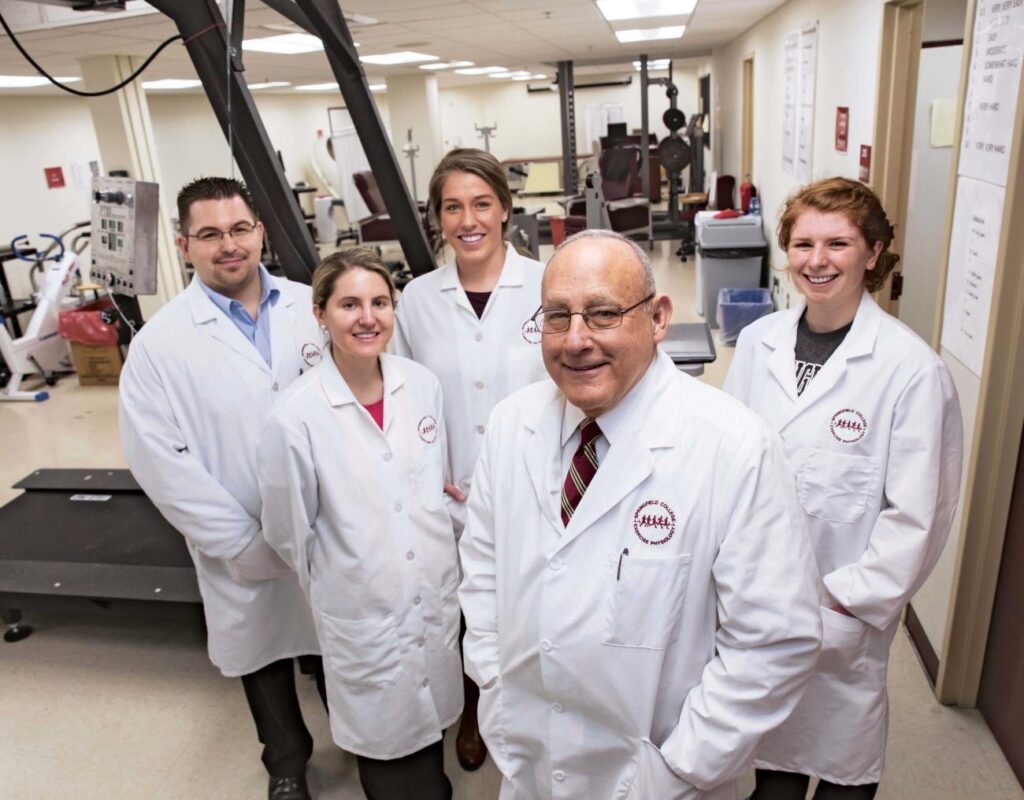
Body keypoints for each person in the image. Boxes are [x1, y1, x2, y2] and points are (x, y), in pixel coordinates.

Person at [458, 229, 823, 800]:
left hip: (663, 779)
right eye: (557, 316)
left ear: (657, 318)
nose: (576, 340)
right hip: (530, 763)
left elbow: (774, 642)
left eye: (603, 314)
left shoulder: (734, 447)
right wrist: (499, 700)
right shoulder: (511, 425)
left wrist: (676, 770)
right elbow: (482, 578)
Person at [724, 177, 964, 799]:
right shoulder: (758, 344)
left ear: (874, 253)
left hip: (842, 618)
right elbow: (728, 465)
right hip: (758, 602)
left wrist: (844, 603)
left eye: (838, 243)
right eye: (803, 243)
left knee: (840, 775)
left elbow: (920, 516)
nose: (817, 260)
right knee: (767, 773)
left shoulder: (910, 371)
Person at [119, 177, 325, 800]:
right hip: (237, 535)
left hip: (329, 524)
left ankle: (358, 731)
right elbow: (158, 459)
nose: (228, 245)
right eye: (209, 234)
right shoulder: (159, 344)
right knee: (261, 651)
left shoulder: (313, 306)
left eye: (239, 229)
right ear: (184, 245)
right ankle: (286, 761)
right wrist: (236, 541)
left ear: (259, 232)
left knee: (331, 637)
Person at [256, 249, 463, 800]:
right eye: (349, 304)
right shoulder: (295, 417)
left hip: (431, 597)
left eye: (379, 302)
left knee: (431, 728)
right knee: (391, 752)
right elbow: (286, 531)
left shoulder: (421, 385)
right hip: (363, 612)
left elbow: (430, 484)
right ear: (320, 314)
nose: (367, 317)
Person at [392, 147, 547, 771]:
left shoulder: (547, 284)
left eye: (481, 203)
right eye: (452, 207)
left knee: (535, 603)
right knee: (465, 609)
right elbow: (402, 395)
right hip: (450, 492)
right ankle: (478, 712)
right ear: (438, 218)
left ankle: (537, 710)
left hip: (539, 485)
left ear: (506, 210)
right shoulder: (418, 299)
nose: (468, 219)